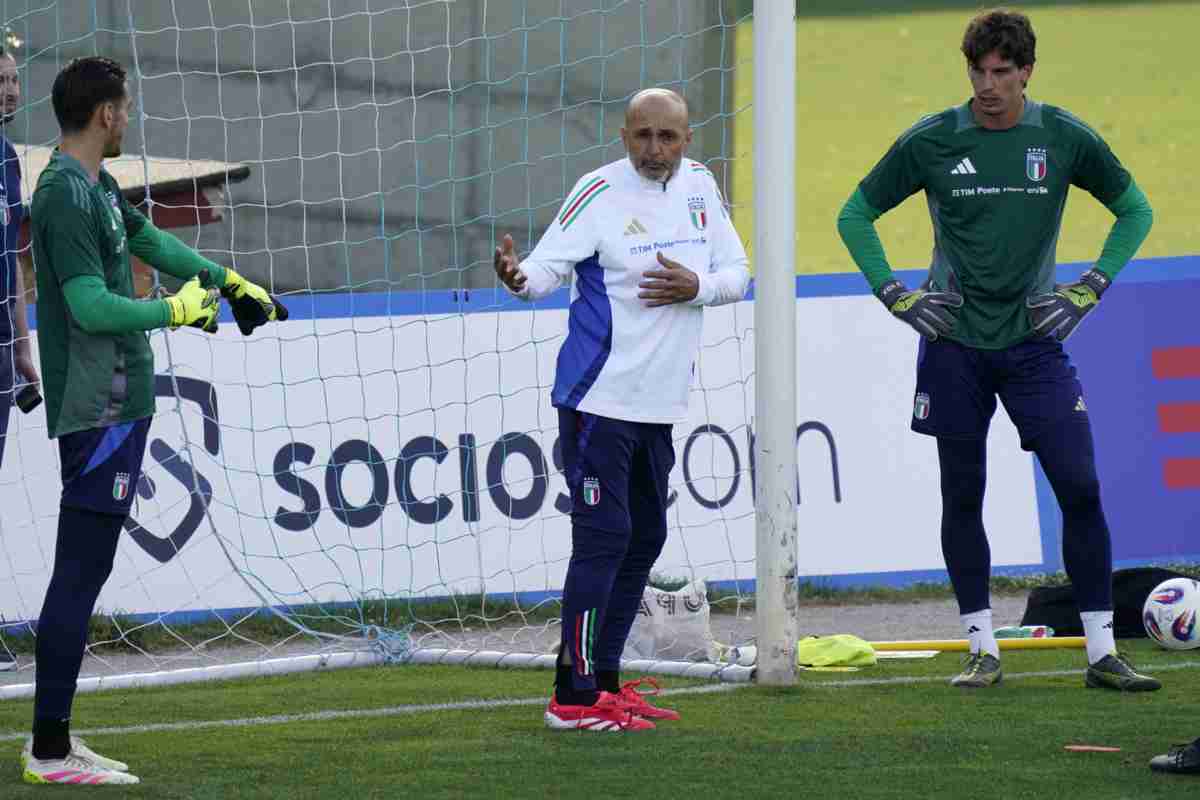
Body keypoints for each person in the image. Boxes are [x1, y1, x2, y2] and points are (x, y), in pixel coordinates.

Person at [836, 9, 1158, 691]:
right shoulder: (932, 141)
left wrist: (1089, 288)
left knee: (1081, 486)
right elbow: (855, 213)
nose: (987, 86)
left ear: (1026, 73)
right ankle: (983, 648)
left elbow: (1136, 209)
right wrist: (895, 295)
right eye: (977, 72)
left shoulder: (1063, 137)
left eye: (1001, 73)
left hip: (1035, 345)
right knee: (964, 491)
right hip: (954, 344)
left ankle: (1102, 652)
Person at [21, 56, 283, 786]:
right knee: (78, 574)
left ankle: (56, 742)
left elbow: (151, 243)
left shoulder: (97, 186)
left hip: (121, 400)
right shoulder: (64, 195)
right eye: (126, 108)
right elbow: (87, 308)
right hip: (96, 408)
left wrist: (229, 283)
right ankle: (48, 750)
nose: (129, 119)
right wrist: (175, 309)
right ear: (105, 113)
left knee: (87, 569)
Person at [494, 87, 749, 731]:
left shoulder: (699, 188)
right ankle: (571, 696)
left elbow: (737, 270)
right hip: (597, 400)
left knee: (646, 536)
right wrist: (519, 277)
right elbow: (546, 269)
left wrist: (699, 288)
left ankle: (603, 682)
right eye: (643, 136)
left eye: (667, 137)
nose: (655, 150)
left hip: (659, 406)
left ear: (688, 139)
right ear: (623, 135)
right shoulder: (598, 191)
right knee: (604, 537)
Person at [0, 45, 36, 674]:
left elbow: (13, 263)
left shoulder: (8, 160)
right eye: (0, 78)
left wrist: (23, 342)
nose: (9, 89)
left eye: (12, 78)